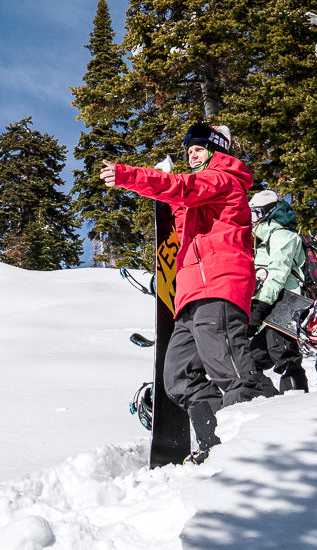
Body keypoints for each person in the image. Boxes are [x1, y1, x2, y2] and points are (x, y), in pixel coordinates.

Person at [101, 123, 276, 462]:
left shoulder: (224, 178)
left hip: (220, 284)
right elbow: (183, 206)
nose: (191, 153)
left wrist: (130, 176)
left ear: (216, 150)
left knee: (234, 372)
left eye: (199, 147)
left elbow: (183, 188)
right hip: (192, 294)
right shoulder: (203, 191)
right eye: (189, 149)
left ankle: (265, 437)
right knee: (178, 376)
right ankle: (217, 442)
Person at [246, 188, 310, 393]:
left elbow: (278, 274)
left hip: (285, 303)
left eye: (256, 214)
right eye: (251, 214)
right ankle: (268, 403)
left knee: (283, 352)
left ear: (269, 212)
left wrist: (261, 304)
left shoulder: (283, 235)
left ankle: (295, 403)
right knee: (251, 358)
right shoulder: (262, 239)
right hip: (269, 305)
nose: (253, 220)